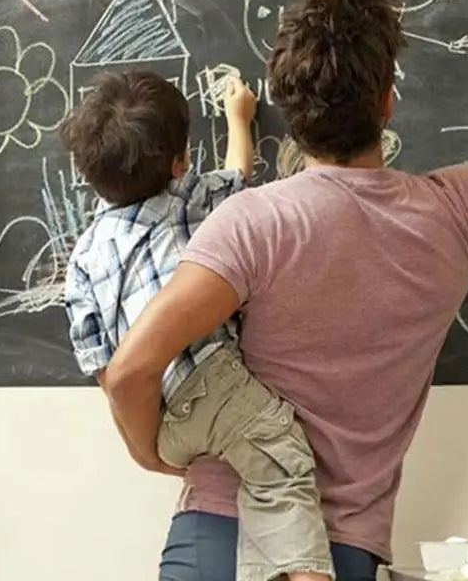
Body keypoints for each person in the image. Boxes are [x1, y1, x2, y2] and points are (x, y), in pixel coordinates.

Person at [101, 0, 468, 581]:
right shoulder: (457, 212)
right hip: (339, 552)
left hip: (216, 534)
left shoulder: (251, 223)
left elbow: (129, 370)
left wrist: (153, 455)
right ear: (386, 102)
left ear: (288, 112)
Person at [60, 69, 334, 581]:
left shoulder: (83, 259)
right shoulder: (185, 201)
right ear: (180, 162)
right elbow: (238, 178)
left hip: (159, 419)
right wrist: (239, 119)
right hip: (213, 382)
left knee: (252, 472)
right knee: (284, 466)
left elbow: (102, 365)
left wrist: (152, 445)